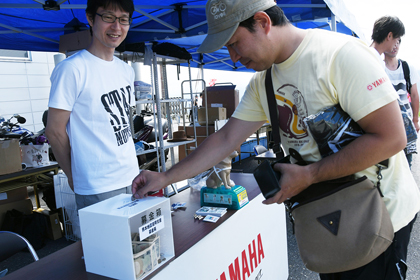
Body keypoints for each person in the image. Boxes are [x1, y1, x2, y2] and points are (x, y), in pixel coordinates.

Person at [132, 0, 420, 278]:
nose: (233, 57)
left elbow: (392, 137)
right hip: (326, 211)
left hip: (379, 215)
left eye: (234, 43)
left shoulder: (338, 54)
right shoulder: (263, 82)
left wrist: (309, 174)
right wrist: (165, 177)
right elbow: (226, 139)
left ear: (262, 22)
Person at [46, 0, 139, 210]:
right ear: (90, 18)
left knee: (138, 242)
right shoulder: (72, 69)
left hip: (131, 176)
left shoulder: (126, 70)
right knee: (105, 243)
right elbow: (54, 131)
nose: (116, 27)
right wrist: (73, 175)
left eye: (124, 20)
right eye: (108, 17)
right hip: (96, 185)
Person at [384, 39, 420, 168]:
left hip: (407, 127)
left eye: (398, 42)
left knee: (406, 164)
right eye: (393, 41)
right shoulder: (378, 67)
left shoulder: (407, 68)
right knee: (389, 165)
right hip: (386, 126)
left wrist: (415, 120)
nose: (396, 46)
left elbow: (415, 95)